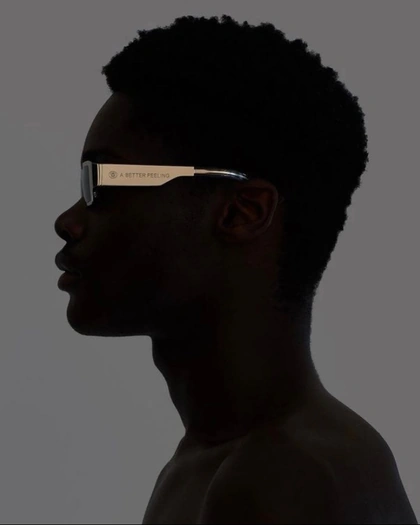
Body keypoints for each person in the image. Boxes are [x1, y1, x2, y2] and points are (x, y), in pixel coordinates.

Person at [54, 14, 418, 524]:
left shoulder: (286, 480)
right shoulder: (211, 464)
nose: (68, 221)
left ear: (241, 213)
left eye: (103, 183)